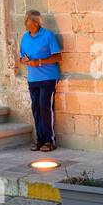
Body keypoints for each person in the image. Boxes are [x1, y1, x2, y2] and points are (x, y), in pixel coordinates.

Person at [18, 10, 62, 153]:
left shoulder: (48, 36)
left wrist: (40, 61)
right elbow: (21, 56)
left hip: (48, 78)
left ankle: (50, 141)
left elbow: (58, 57)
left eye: (27, 20)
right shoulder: (24, 37)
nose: (25, 22)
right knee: (36, 108)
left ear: (36, 23)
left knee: (45, 107)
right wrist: (23, 60)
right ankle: (40, 140)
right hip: (33, 79)